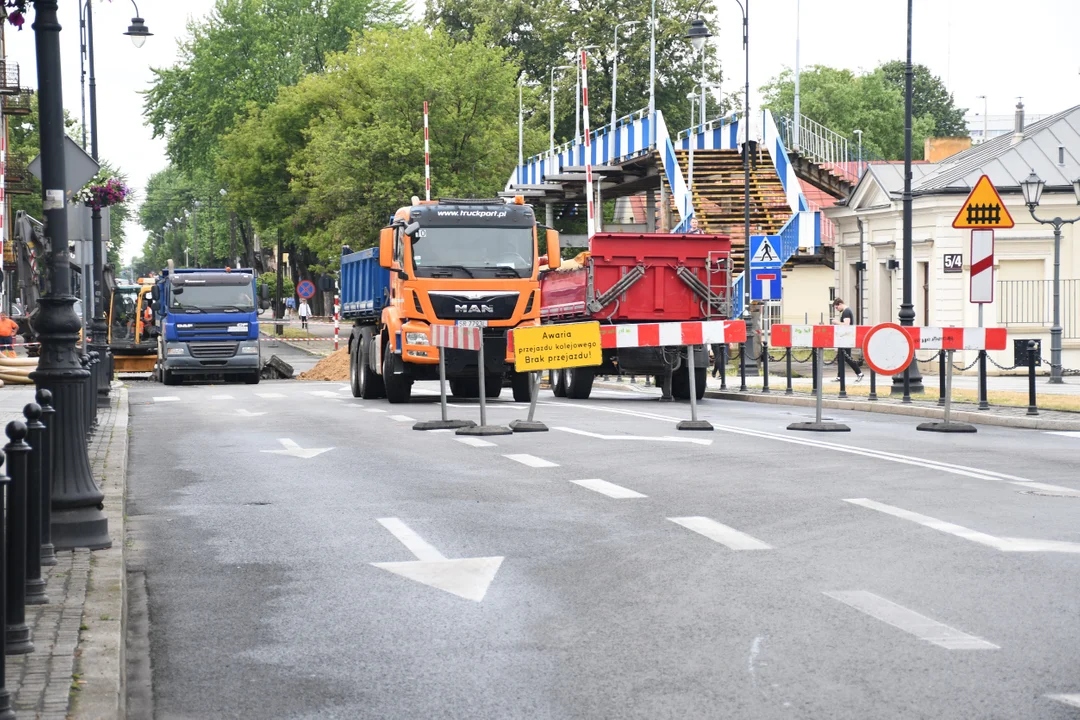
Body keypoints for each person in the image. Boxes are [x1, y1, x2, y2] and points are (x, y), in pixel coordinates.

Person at [831, 298, 863, 382]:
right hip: (845, 338)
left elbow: (846, 325)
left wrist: (836, 322)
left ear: (840, 304)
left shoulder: (846, 312)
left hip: (846, 338)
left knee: (846, 357)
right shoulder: (846, 311)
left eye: (836, 307)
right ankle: (840, 376)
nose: (837, 310)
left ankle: (859, 373)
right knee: (841, 357)